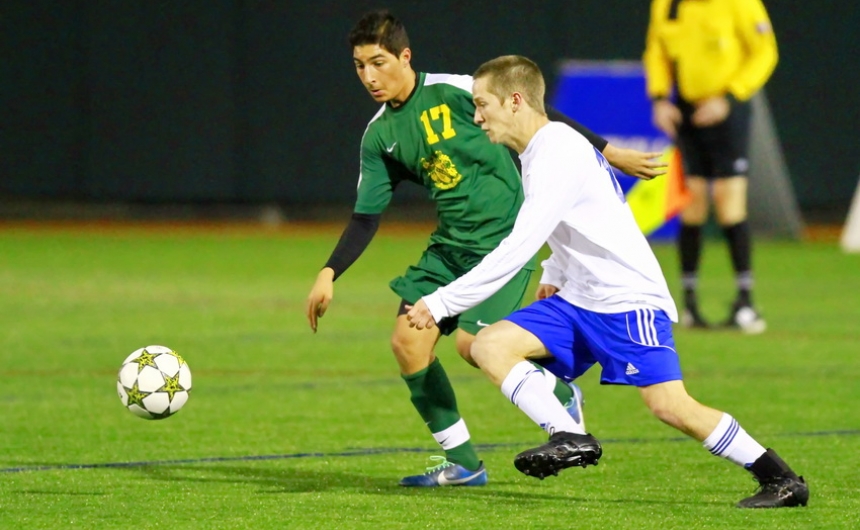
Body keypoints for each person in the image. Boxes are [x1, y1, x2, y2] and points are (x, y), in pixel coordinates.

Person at [406, 54, 808, 508]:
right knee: (488, 345)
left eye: (483, 105)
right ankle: (568, 433)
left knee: (671, 407)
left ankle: (781, 479)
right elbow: (572, 220)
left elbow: (520, 245)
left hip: (625, 299)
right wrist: (556, 273)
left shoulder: (557, 148)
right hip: (580, 299)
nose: (477, 117)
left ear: (515, 100)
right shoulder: (536, 150)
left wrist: (441, 302)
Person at [305, 9, 665, 488]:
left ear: (405, 56)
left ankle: (558, 392)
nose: (369, 76)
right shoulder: (380, 136)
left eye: (379, 62)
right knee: (407, 344)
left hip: (504, 242)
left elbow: (537, 114)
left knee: (475, 347)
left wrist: (606, 148)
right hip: (449, 248)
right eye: (359, 66)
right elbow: (366, 216)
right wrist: (330, 272)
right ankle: (465, 464)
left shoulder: (455, 90)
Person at [643, 0, 779, 333]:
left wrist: (730, 96)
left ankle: (745, 301)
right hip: (686, 109)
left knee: (728, 200)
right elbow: (657, 50)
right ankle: (688, 304)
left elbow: (764, 52)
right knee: (693, 201)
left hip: (727, 107)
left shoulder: (740, 3)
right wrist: (660, 98)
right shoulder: (667, 4)